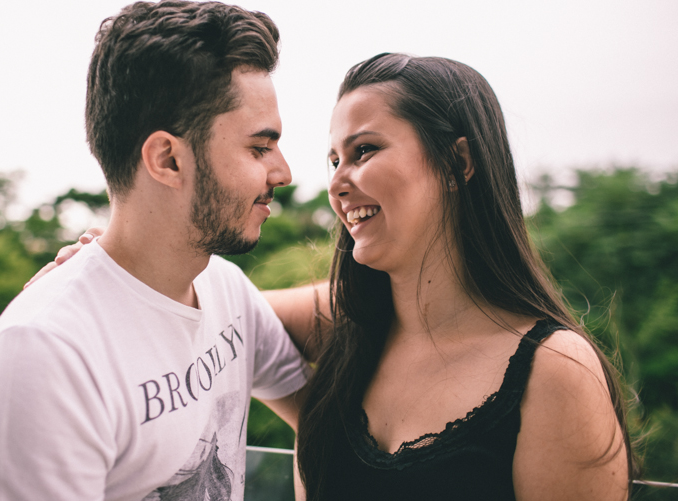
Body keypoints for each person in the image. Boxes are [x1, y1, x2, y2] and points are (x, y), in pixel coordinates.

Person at [43, 54, 637, 499]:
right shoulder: (347, 326)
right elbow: (191, 311)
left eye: (364, 151)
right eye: (334, 160)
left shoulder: (554, 372)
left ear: (457, 162)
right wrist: (119, 273)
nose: (336, 182)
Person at [0, 0, 307, 501]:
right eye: (259, 148)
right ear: (167, 159)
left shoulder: (225, 290)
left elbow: (326, 421)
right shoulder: (40, 360)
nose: (283, 172)